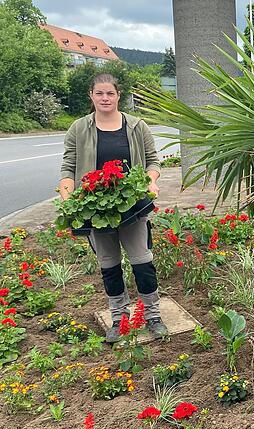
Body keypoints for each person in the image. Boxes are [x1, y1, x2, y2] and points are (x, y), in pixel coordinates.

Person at [59, 73, 168, 342]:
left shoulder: (136, 126)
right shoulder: (79, 128)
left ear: (118, 95)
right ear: (91, 96)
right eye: (100, 93)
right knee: (109, 265)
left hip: (133, 205)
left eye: (110, 93)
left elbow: (154, 161)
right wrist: (68, 198)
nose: (105, 98)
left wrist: (150, 181)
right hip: (95, 209)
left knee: (142, 261)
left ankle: (152, 314)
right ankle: (119, 318)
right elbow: (68, 167)